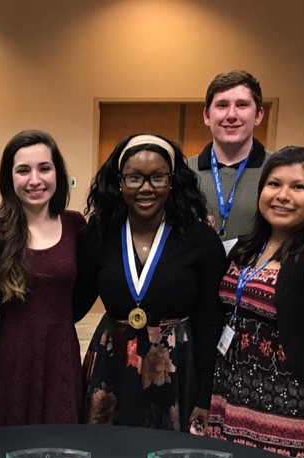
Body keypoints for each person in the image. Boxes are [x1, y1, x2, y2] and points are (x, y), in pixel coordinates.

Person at [207, 146, 304, 458]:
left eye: (298, 187)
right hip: (230, 396)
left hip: (287, 408)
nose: (283, 195)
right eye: (274, 184)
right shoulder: (247, 247)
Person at [73, 134, 226, 431]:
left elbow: (209, 321)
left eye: (157, 177)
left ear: (172, 181)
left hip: (176, 366)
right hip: (112, 363)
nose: (146, 188)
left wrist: (204, 395)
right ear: (119, 181)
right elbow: (75, 303)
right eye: (134, 178)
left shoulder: (199, 239)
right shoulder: (99, 235)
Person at [0, 130, 83, 426]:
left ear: (57, 174)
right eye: (23, 170)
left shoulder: (75, 225)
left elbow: (85, 290)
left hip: (59, 355)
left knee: (59, 450)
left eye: (44, 168)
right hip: (6, 357)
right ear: (9, 178)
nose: (35, 180)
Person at [188, 70, 269, 253]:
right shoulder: (182, 172)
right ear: (207, 116)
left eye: (242, 105)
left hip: (255, 279)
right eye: (222, 105)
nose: (231, 115)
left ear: (258, 115)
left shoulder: (279, 171)